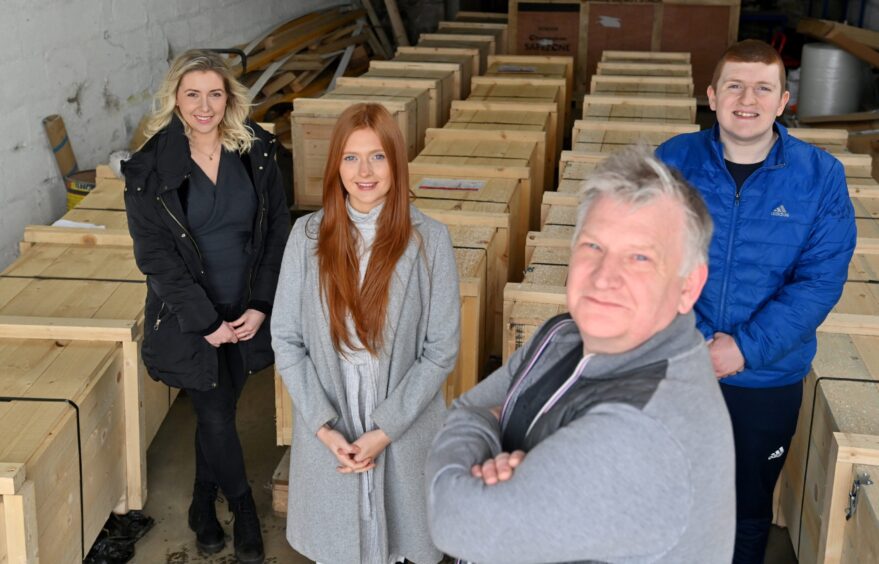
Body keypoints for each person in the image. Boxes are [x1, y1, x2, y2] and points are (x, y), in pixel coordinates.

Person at [425, 145, 736, 563]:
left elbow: (454, 519)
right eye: (593, 246)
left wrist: (482, 442)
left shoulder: (645, 429)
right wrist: (483, 428)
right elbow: (467, 407)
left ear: (688, 286)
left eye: (639, 257)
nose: (606, 277)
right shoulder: (563, 337)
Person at [656, 39, 857, 563]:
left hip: (766, 379)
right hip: (677, 368)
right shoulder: (673, 160)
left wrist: (741, 349)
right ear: (712, 95)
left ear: (783, 100)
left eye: (763, 87)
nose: (748, 98)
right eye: (735, 85)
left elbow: (819, 281)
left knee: (746, 509)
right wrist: (694, 344)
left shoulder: (820, 176)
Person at [271, 102, 460, 564]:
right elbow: (287, 339)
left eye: (377, 156)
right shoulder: (306, 237)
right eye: (351, 157)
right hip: (333, 418)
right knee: (341, 545)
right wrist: (321, 425)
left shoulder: (429, 239)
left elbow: (440, 350)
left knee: (401, 542)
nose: (364, 171)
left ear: (396, 162)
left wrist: (384, 430)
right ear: (336, 164)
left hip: (401, 418)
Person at [123, 49, 289, 563]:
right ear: (174, 97)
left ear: (229, 97)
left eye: (214, 93)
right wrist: (206, 321)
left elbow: (276, 230)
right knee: (216, 414)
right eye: (192, 93)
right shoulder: (150, 165)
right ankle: (241, 510)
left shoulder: (257, 149)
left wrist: (261, 303)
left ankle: (199, 503)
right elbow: (155, 257)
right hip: (192, 315)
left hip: (246, 308)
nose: (204, 105)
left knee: (221, 409)